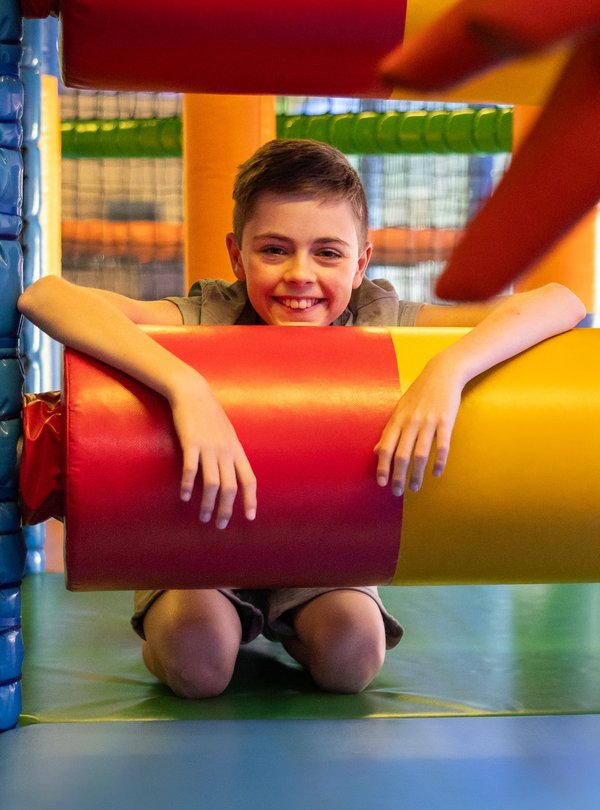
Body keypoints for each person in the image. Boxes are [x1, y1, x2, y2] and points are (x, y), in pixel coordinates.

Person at [17, 139, 586, 699]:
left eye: (328, 253)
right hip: (203, 534)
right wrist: (183, 384)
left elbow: (562, 301)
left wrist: (449, 369)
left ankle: (288, 623)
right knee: (200, 664)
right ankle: (215, 621)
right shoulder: (211, 314)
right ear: (237, 256)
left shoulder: (378, 318)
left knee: (352, 660)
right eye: (273, 250)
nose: (300, 274)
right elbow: (47, 296)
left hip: (322, 536)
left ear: (362, 262)